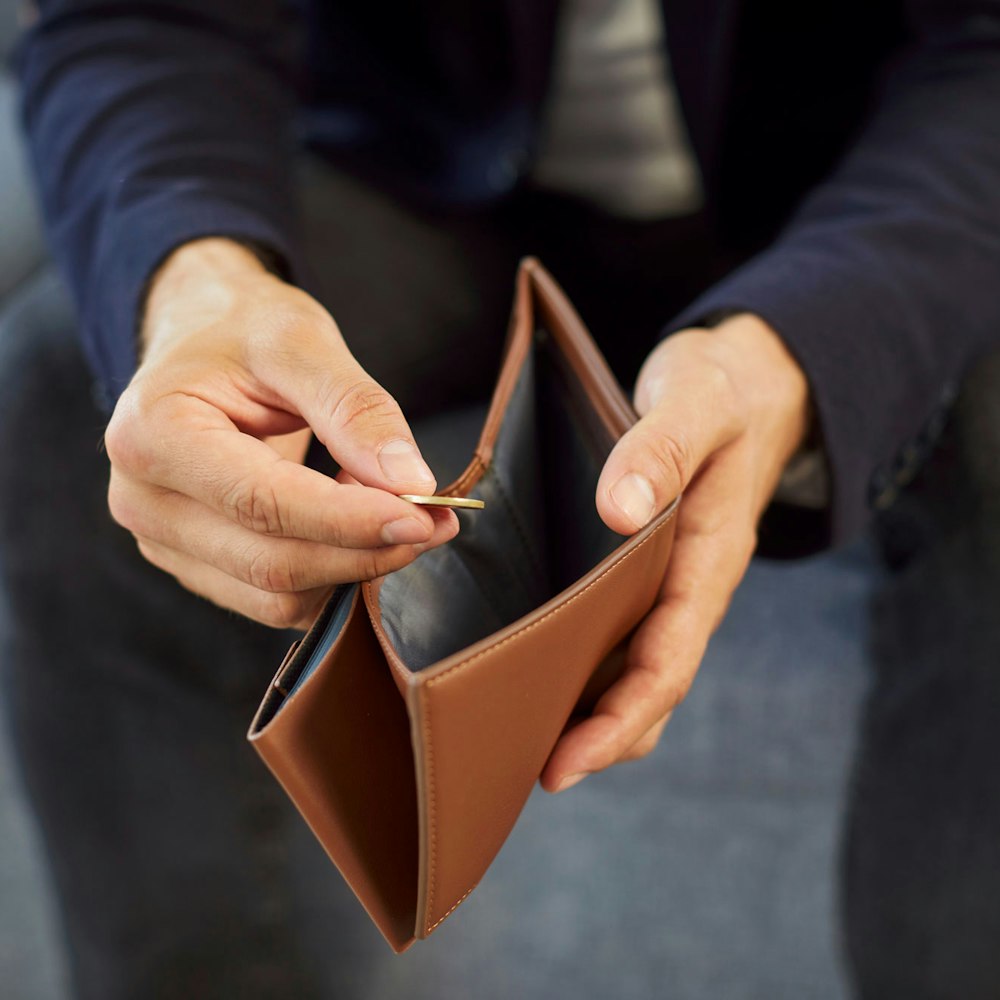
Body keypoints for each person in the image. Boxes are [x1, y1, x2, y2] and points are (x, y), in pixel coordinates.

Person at [3, 0, 999, 997]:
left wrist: (804, 344)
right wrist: (195, 285)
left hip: (846, 202)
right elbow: (138, 19)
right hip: (435, 178)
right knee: (63, 394)